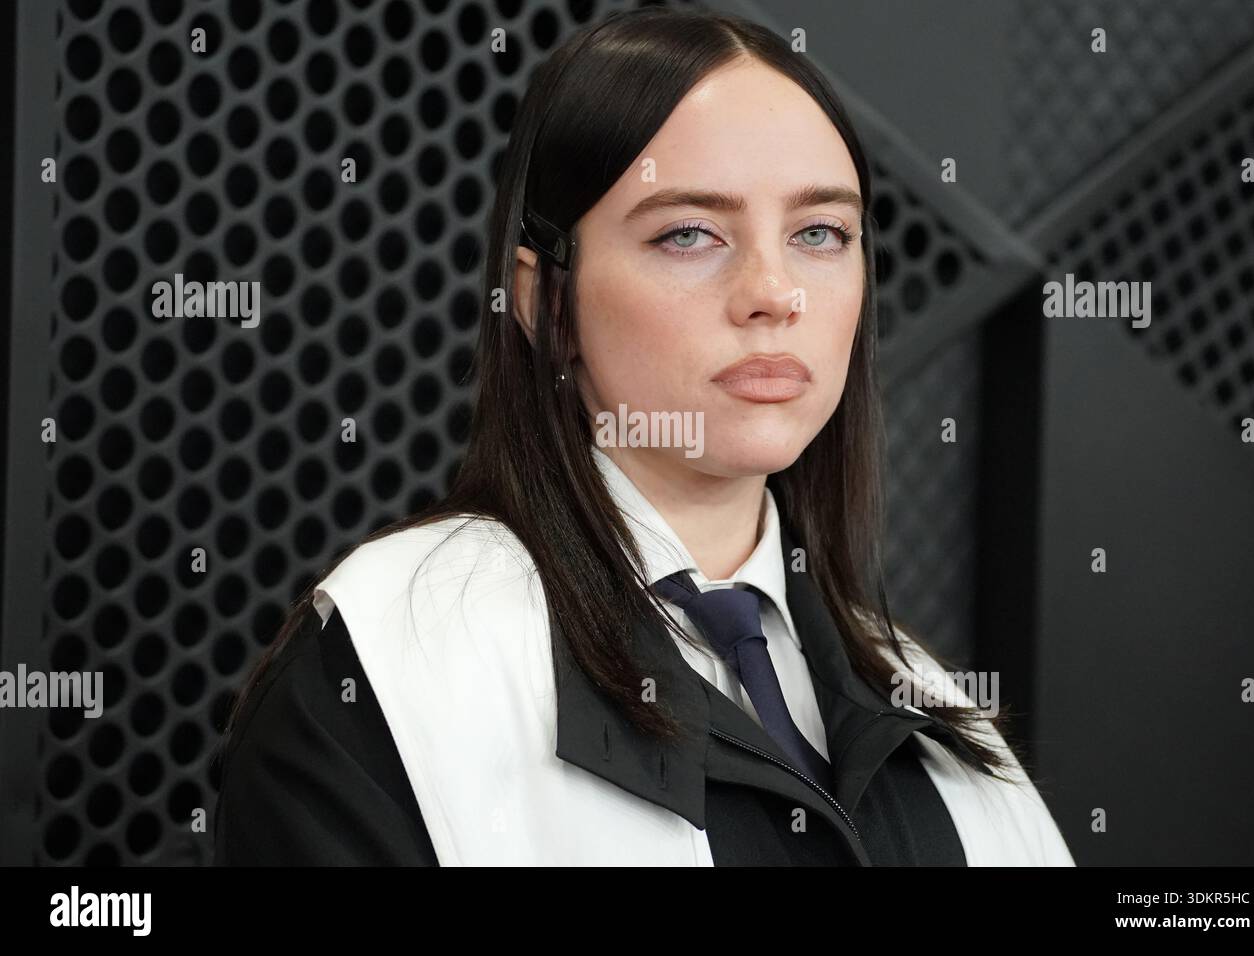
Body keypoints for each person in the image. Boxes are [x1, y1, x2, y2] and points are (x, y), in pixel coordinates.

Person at [213, 7, 1074, 866]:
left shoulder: (937, 714)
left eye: (820, 233)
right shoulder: (395, 654)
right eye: (689, 234)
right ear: (546, 298)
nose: (775, 293)